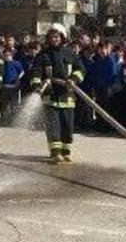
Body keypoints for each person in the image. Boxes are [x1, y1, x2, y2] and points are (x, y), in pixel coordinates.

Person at [30, 29, 86, 163]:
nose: (54, 39)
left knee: (67, 126)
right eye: (51, 37)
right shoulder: (43, 55)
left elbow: (81, 69)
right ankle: (55, 153)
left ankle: (66, 152)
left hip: (67, 96)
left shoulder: (70, 53)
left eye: (57, 37)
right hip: (50, 95)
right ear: (48, 39)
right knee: (53, 126)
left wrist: (73, 79)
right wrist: (37, 85)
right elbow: (36, 72)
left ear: (61, 38)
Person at [0, 48, 24, 124]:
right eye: (5, 55)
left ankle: (13, 120)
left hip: (14, 87)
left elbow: (22, 72)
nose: (6, 57)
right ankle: (3, 119)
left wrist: (18, 78)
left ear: (12, 56)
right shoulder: (1, 64)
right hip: (4, 87)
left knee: (14, 104)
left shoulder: (16, 63)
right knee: (3, 104)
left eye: (8, 55)